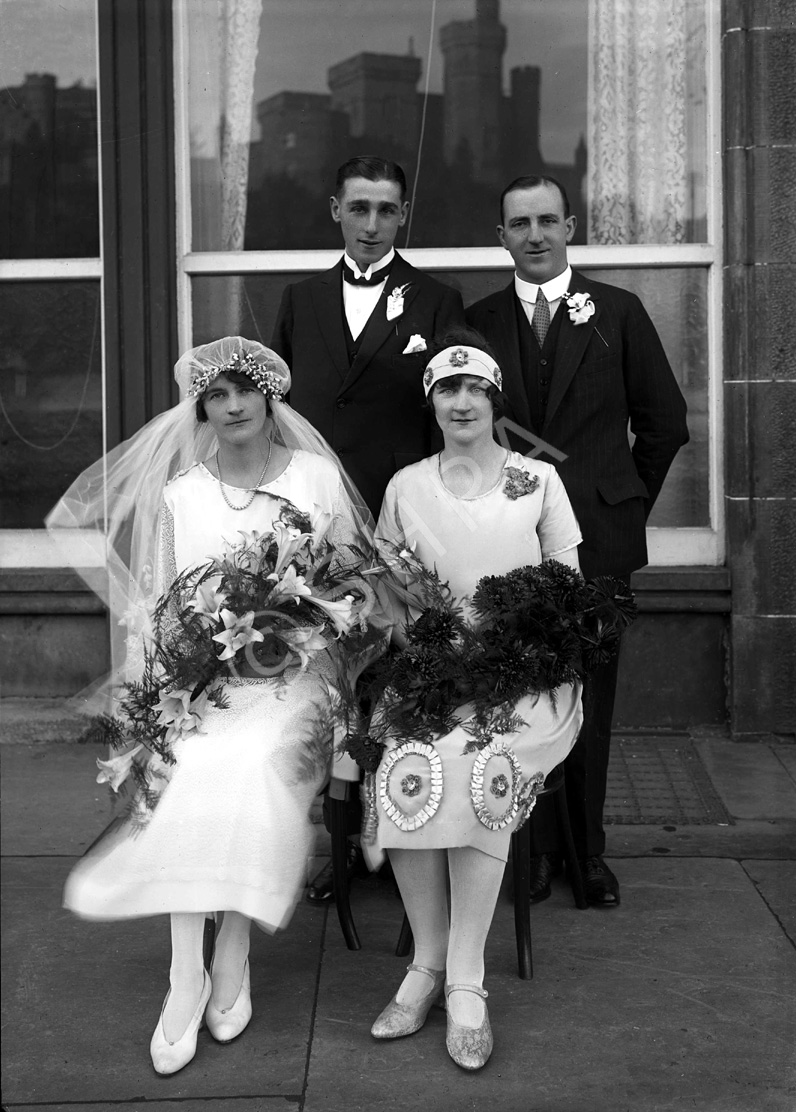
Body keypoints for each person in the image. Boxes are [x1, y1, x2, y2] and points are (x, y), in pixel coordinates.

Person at [46, 338, 381, 1076]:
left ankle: (231, 951)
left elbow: (359, 584)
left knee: (254, 766)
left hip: (298, 680)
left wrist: (304, 628)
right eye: (216, 396)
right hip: (205, 683)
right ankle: (184, 975)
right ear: (200, 408)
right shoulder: (181, 496)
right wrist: (163, 691)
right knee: (195, 766)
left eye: (245, 392)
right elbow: (163, 607)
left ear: (270, 399)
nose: (232, 407)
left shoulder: (317, 479)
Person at [466, 175, 689, 906]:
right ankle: (528, 850)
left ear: (571, 226)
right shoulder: (479, 321)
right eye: (518, 223)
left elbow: (664, 423)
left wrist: (621, 503)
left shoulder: (617, 313)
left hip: (596, 545)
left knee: (589, 698)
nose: (534, 235)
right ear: (501, 236)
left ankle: (586, 853)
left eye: (547, 222)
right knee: (520, 700)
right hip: (506, 549)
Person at [366, 330, 585, 1070]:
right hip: (432, 673)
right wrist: (417, 647)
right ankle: (424, 967)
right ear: (431, 401)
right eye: (446, 389)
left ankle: (467, 980)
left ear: (495, 400)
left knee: (480, 762)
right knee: (406, 757)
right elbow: (385, 598)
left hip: (526, 682)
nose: (461, 402)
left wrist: (508, 651)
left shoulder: (537, 482)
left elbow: (568, 588)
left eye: (476, 389)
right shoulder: (406, 486)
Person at [272, 154, 465, 902]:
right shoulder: (301, 298)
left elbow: (451, 405)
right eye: (359, 208)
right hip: (318, 520)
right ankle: (339, 846)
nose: (372, 223)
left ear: (403, 215)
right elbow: (280, 412)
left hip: (400, 520)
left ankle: (406, 831)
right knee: (324, 679)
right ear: (335, 211)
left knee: (399, 674)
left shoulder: (438, 297)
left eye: (387, 210)